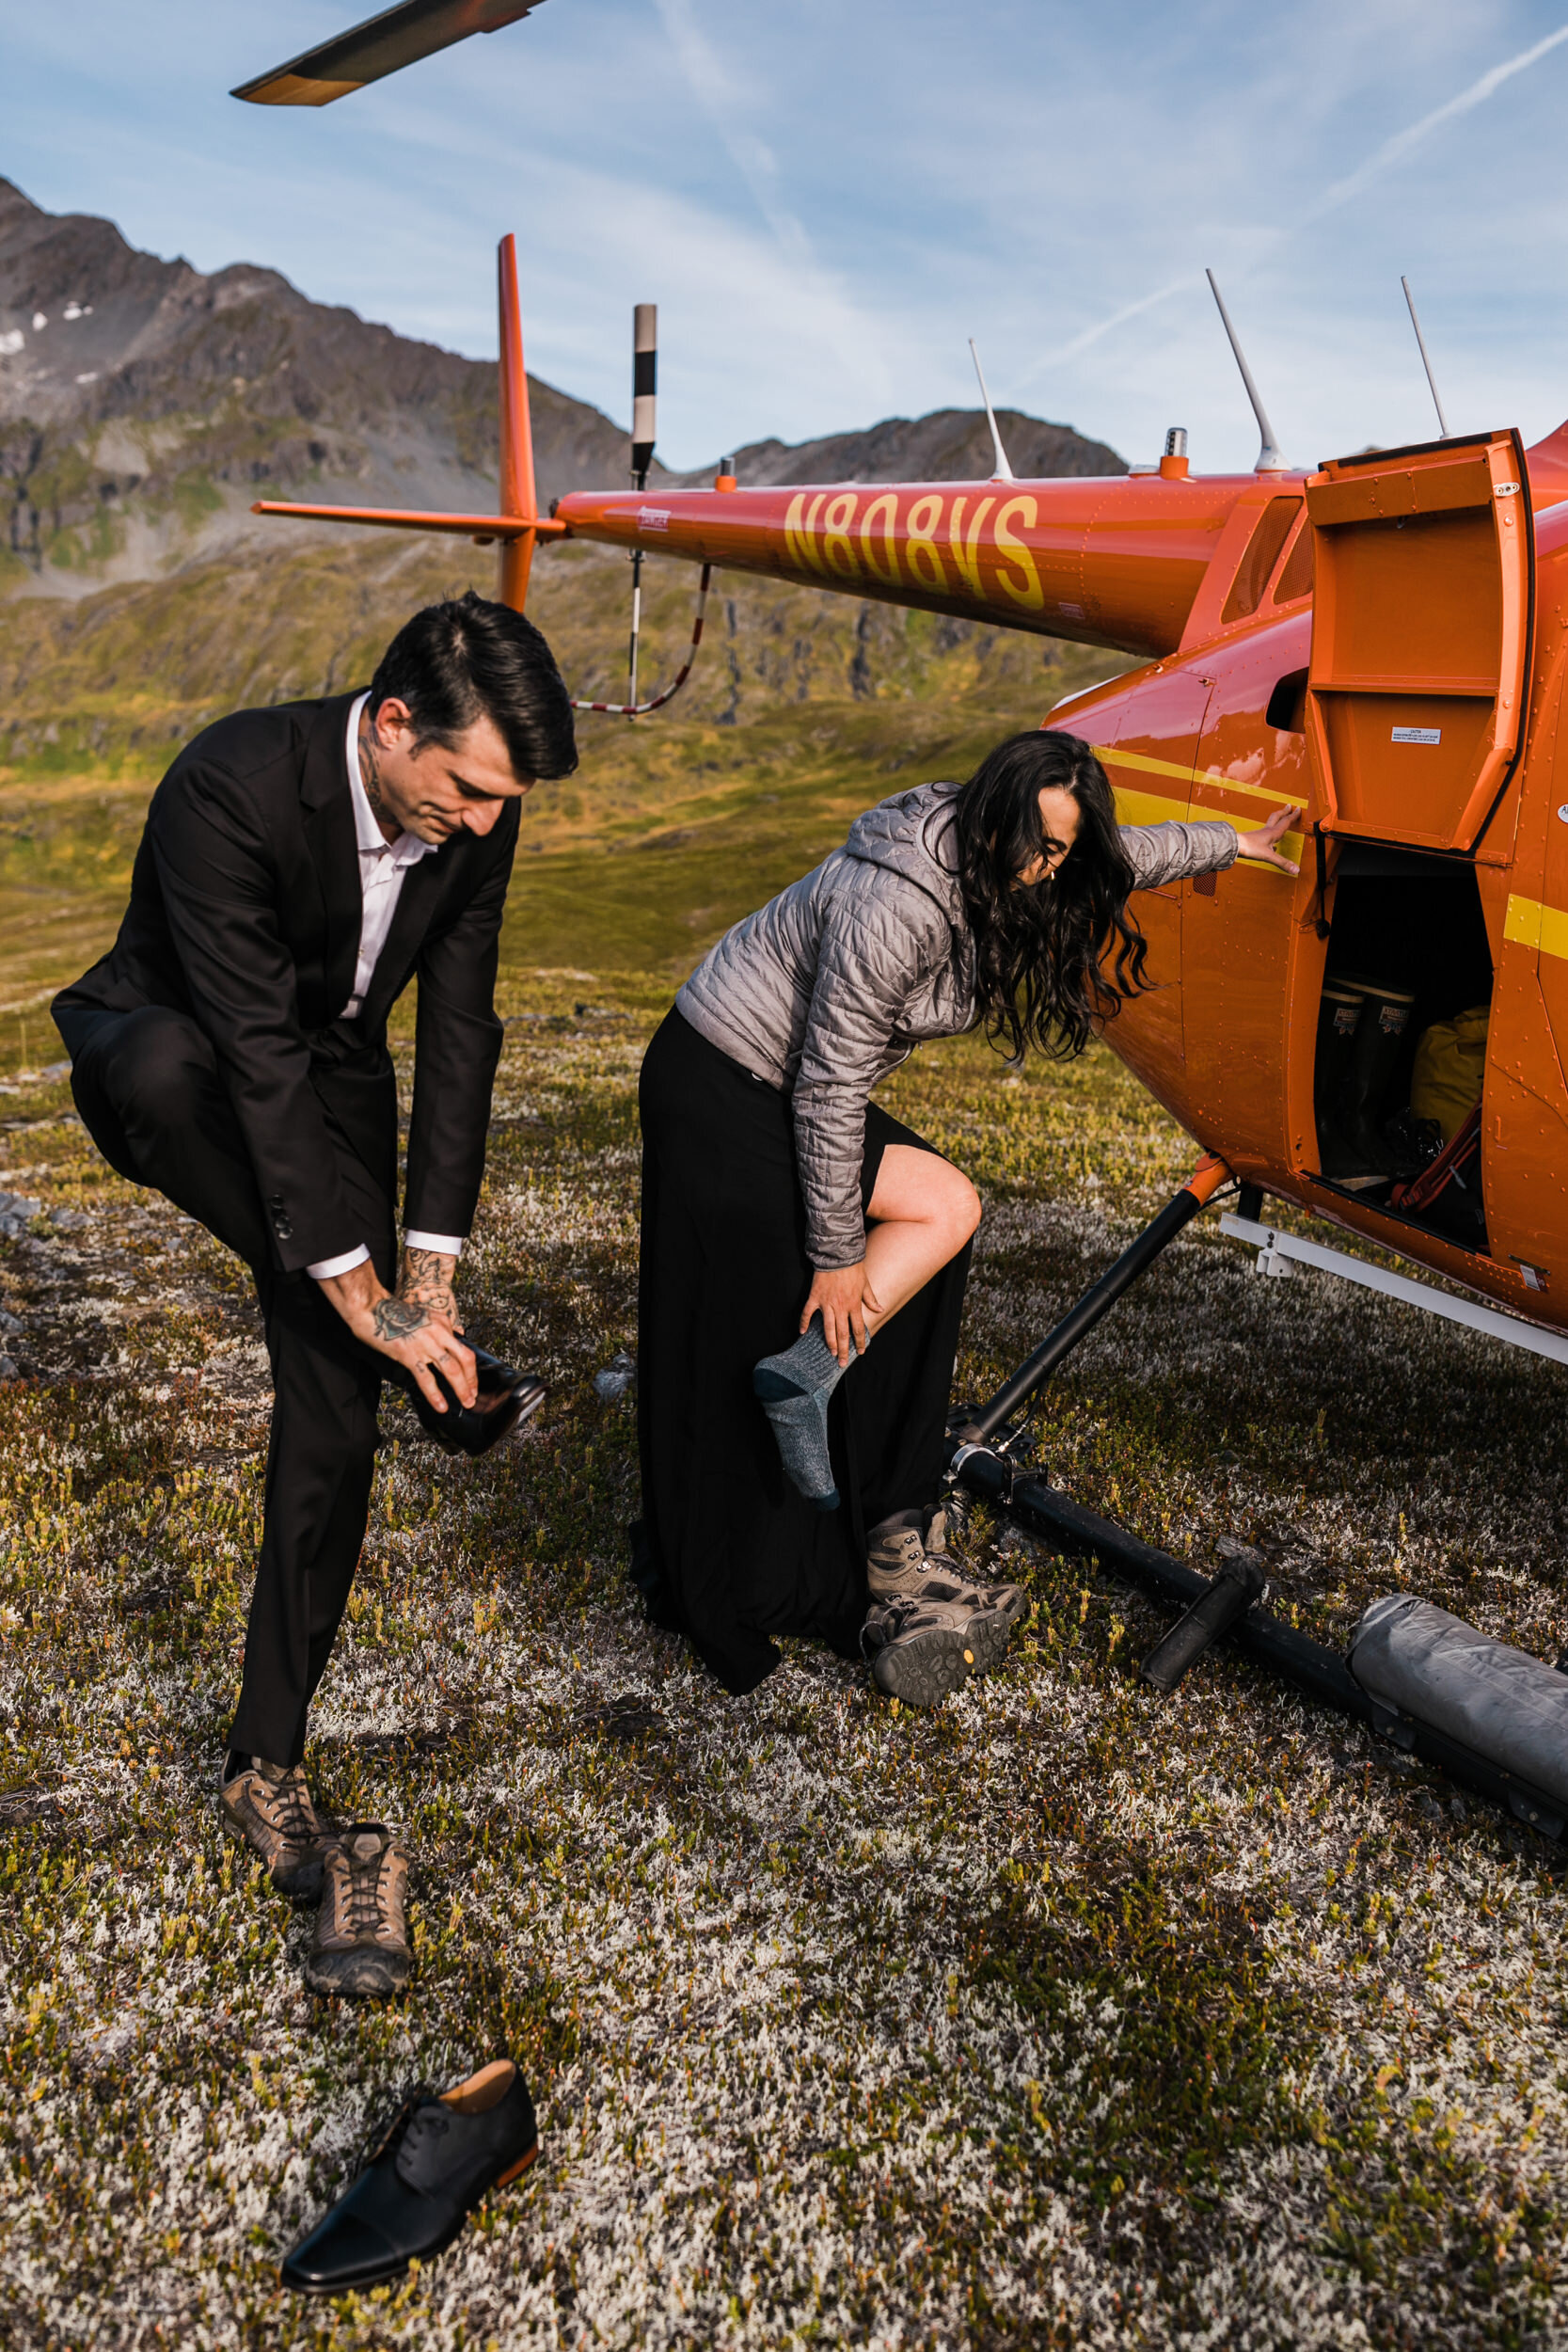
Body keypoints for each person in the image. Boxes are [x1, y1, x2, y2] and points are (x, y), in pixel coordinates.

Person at [53, 591, 577, 1921]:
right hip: (168, 1061)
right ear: (393, 723)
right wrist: (355, 1284)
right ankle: (408, 1362)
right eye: (464, 788)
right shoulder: (229, 782)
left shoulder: (475, 819)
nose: (481, 824)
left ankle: (262, 1760)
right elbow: (250, 1051)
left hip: (332, 1083)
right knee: (196, 1100)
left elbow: (460, 1031)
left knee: (333, 1400)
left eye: (502, 802)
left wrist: (430, 1275)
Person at [634, 729, 1300, 1706]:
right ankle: (808, 1396)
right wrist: (832, 1258)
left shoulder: (1028, 857)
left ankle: (818, 1389)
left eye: (1059, 851)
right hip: (721, 1078)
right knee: (937, 1206)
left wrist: (1235, 842)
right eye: (1032, 842)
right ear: (992, 815)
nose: (1041, 867)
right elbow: (827, 1085)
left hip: (775, 1082)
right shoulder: (895, 899)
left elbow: (1126, 854)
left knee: (946, 1208)